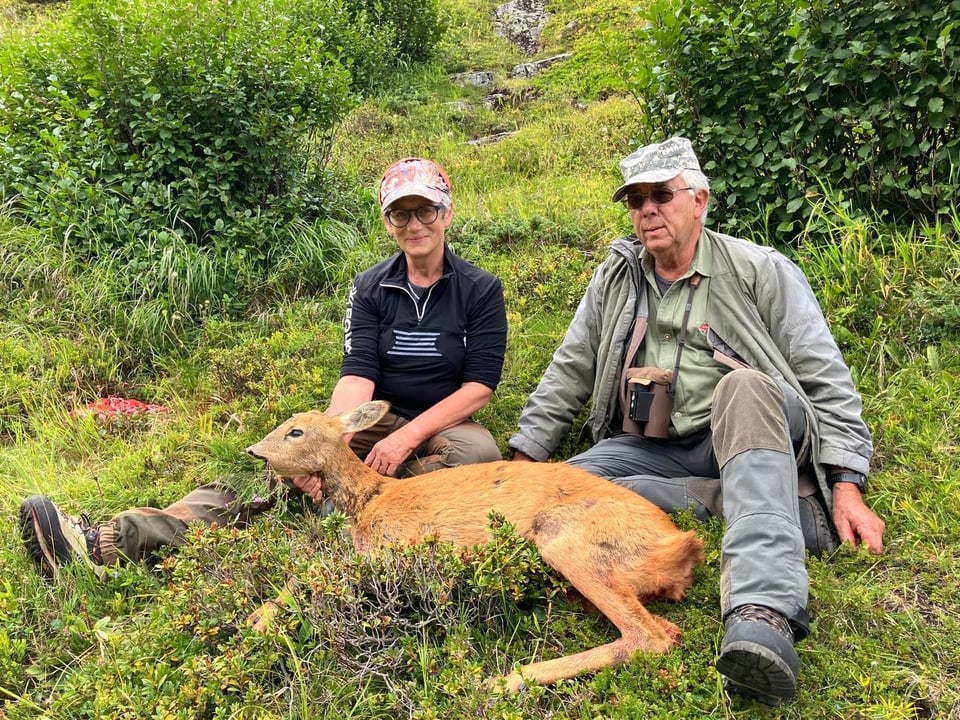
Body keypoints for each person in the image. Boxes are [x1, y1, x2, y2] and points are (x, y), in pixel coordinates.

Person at [508, 137, 885, 705]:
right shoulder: (615, 279)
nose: (647, 211)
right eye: (635, 201)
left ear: (699, 200)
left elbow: (825, 379)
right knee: (563, 495)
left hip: (750, 428)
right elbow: (570, 369)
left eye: (661, 195)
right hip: (648, 445)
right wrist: (523, 468)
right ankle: (767, 504)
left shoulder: (760, 269)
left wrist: (848, 486)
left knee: (744, 385)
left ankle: (761, 618)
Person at [19, 157, 508, 576]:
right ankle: (108, 541)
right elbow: (358, 372)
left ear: (445, 212)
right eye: (400, 214)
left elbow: (479, 386)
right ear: (387, 223)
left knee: (479, 452)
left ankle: (363, 509)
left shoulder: (479, 288)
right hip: (366, 417)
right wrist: (328, 446)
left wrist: (404, 438)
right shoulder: (370, 287)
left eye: (424, 210)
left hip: (441, 423)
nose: (414, 224)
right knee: (274, 469)